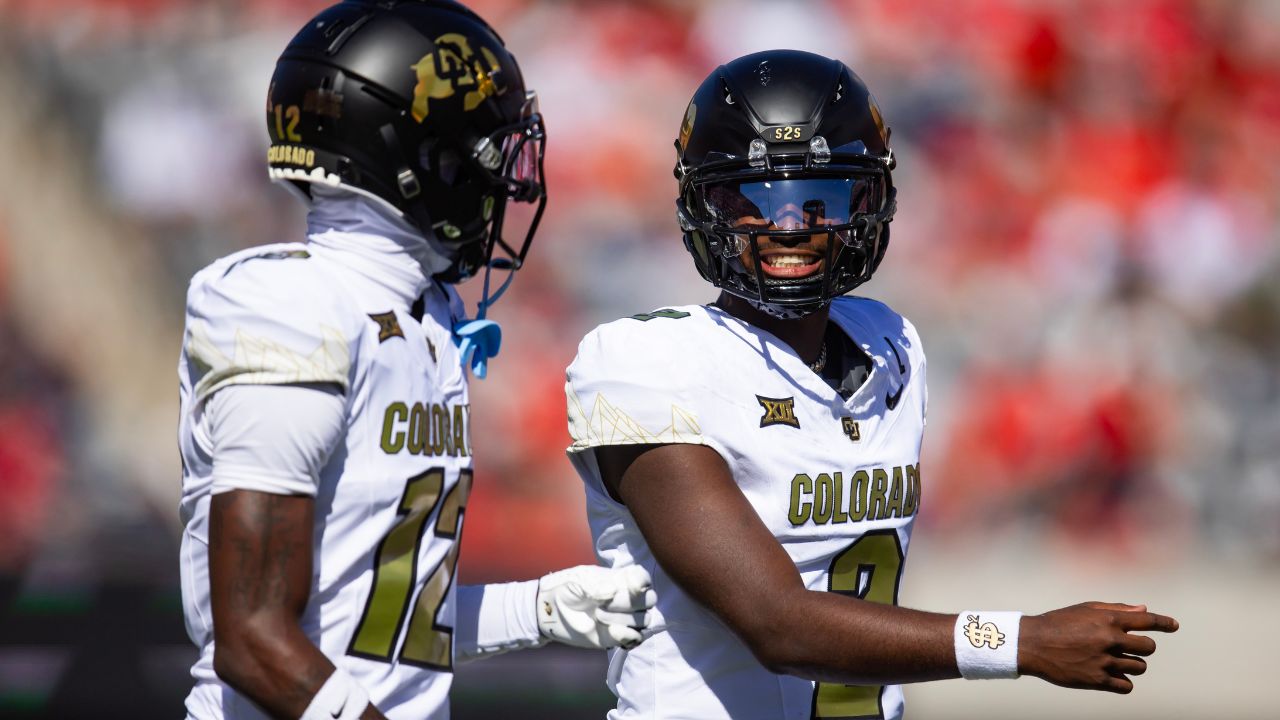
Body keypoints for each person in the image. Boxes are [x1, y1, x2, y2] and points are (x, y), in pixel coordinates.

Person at [564, 50, 1179, 720]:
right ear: (705, 206)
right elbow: (778, 624)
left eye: (819, 196)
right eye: (754, 199)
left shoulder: (890, 344)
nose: (789, 226)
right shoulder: (646, 361)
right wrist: (1019, 642)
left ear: (868, 200)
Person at [177, 2, 653, 719]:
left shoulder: (424, 319)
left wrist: (537, 608)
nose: (504, 181)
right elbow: (251, 642)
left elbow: (379, 620)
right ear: (417, 159)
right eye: (485, 152)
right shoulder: (293, 304)